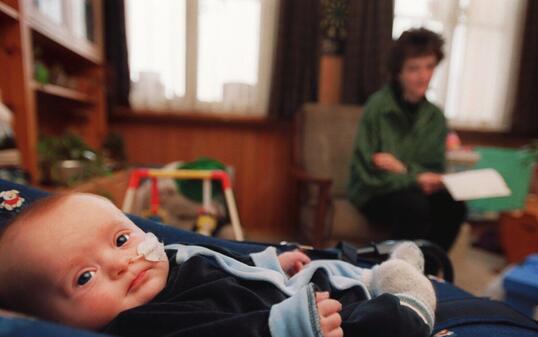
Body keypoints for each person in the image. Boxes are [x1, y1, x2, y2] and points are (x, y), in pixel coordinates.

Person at [0, 193, 436, 337]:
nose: (121, 263)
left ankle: (384, 266)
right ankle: (409, 299)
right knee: (370, 319)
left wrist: (270, 260)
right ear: (51, 320)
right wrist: (288, 327)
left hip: (281, 285)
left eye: (120, 238)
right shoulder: (139, 320)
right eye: (84, 276)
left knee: (325, 265)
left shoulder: (164, 261)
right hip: (299, 317)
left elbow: (220, 260)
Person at [348, 28, 467, 251]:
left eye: (429, 67)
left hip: (412, 189)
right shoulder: (377, 107)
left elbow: (433, 169)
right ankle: (392, 271)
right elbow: (369, 174)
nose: (423, 76)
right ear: (398, 72)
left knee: (455, 207)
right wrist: (415, 177)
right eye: (414, 68)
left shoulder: (435, 116)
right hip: (374, 192)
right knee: (415, 207)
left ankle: (429, 271)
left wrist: (404, 170)